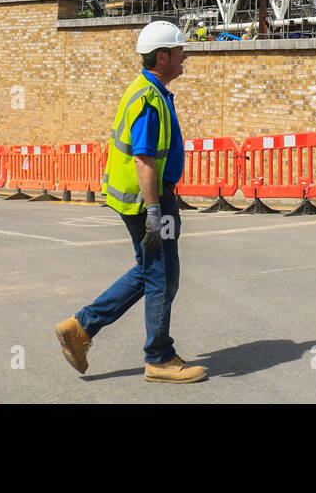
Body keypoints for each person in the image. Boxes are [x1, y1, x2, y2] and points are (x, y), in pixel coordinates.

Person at [55, 21, 207, 383]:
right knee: (162, 277)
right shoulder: (149, 99)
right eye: (180, 50)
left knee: (150, 272)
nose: (185, 55)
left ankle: (81, 327)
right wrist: (155, 210)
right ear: (162, 56)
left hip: (143, 202)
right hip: (149, 204)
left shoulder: (148, 90)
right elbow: (144, 158)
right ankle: (159, 358)